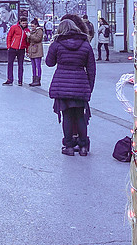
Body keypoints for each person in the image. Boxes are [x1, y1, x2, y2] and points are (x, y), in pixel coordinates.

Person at [45, 17, 96, 156]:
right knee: (80, 116)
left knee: (67, 116)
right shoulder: (85, 44)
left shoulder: (57, 44)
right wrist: (89, 87)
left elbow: (49, 63)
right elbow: (91, 69)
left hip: (62, 84)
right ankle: (83, 147)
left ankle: (68, 147)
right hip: (80, 83)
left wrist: (52, 48)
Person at [3, 15, 29, 86]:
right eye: (23, 23)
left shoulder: (27, 30)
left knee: (20, 65)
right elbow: (9, 36)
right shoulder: (14, 27)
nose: (24, 25)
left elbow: (27, 42)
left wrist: (27, 50)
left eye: (26, 23)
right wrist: (9, 46)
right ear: (20, 22)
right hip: (13, 48)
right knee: (10, 63)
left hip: (21, 49)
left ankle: (20, 80)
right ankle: (9, 79)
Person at [27, 16, 45, 87]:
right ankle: (34, 79)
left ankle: (38, 80)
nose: (32, 27)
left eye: (33, 26)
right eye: (31, 26)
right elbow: (29, 41)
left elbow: (38, 39)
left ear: (36, 25)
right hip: (32, 50)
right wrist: (28, 37)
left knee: (38, 66)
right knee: (33, 66)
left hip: (37, 50)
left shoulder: (39, 31)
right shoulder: (32, 32)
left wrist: (30, 36)